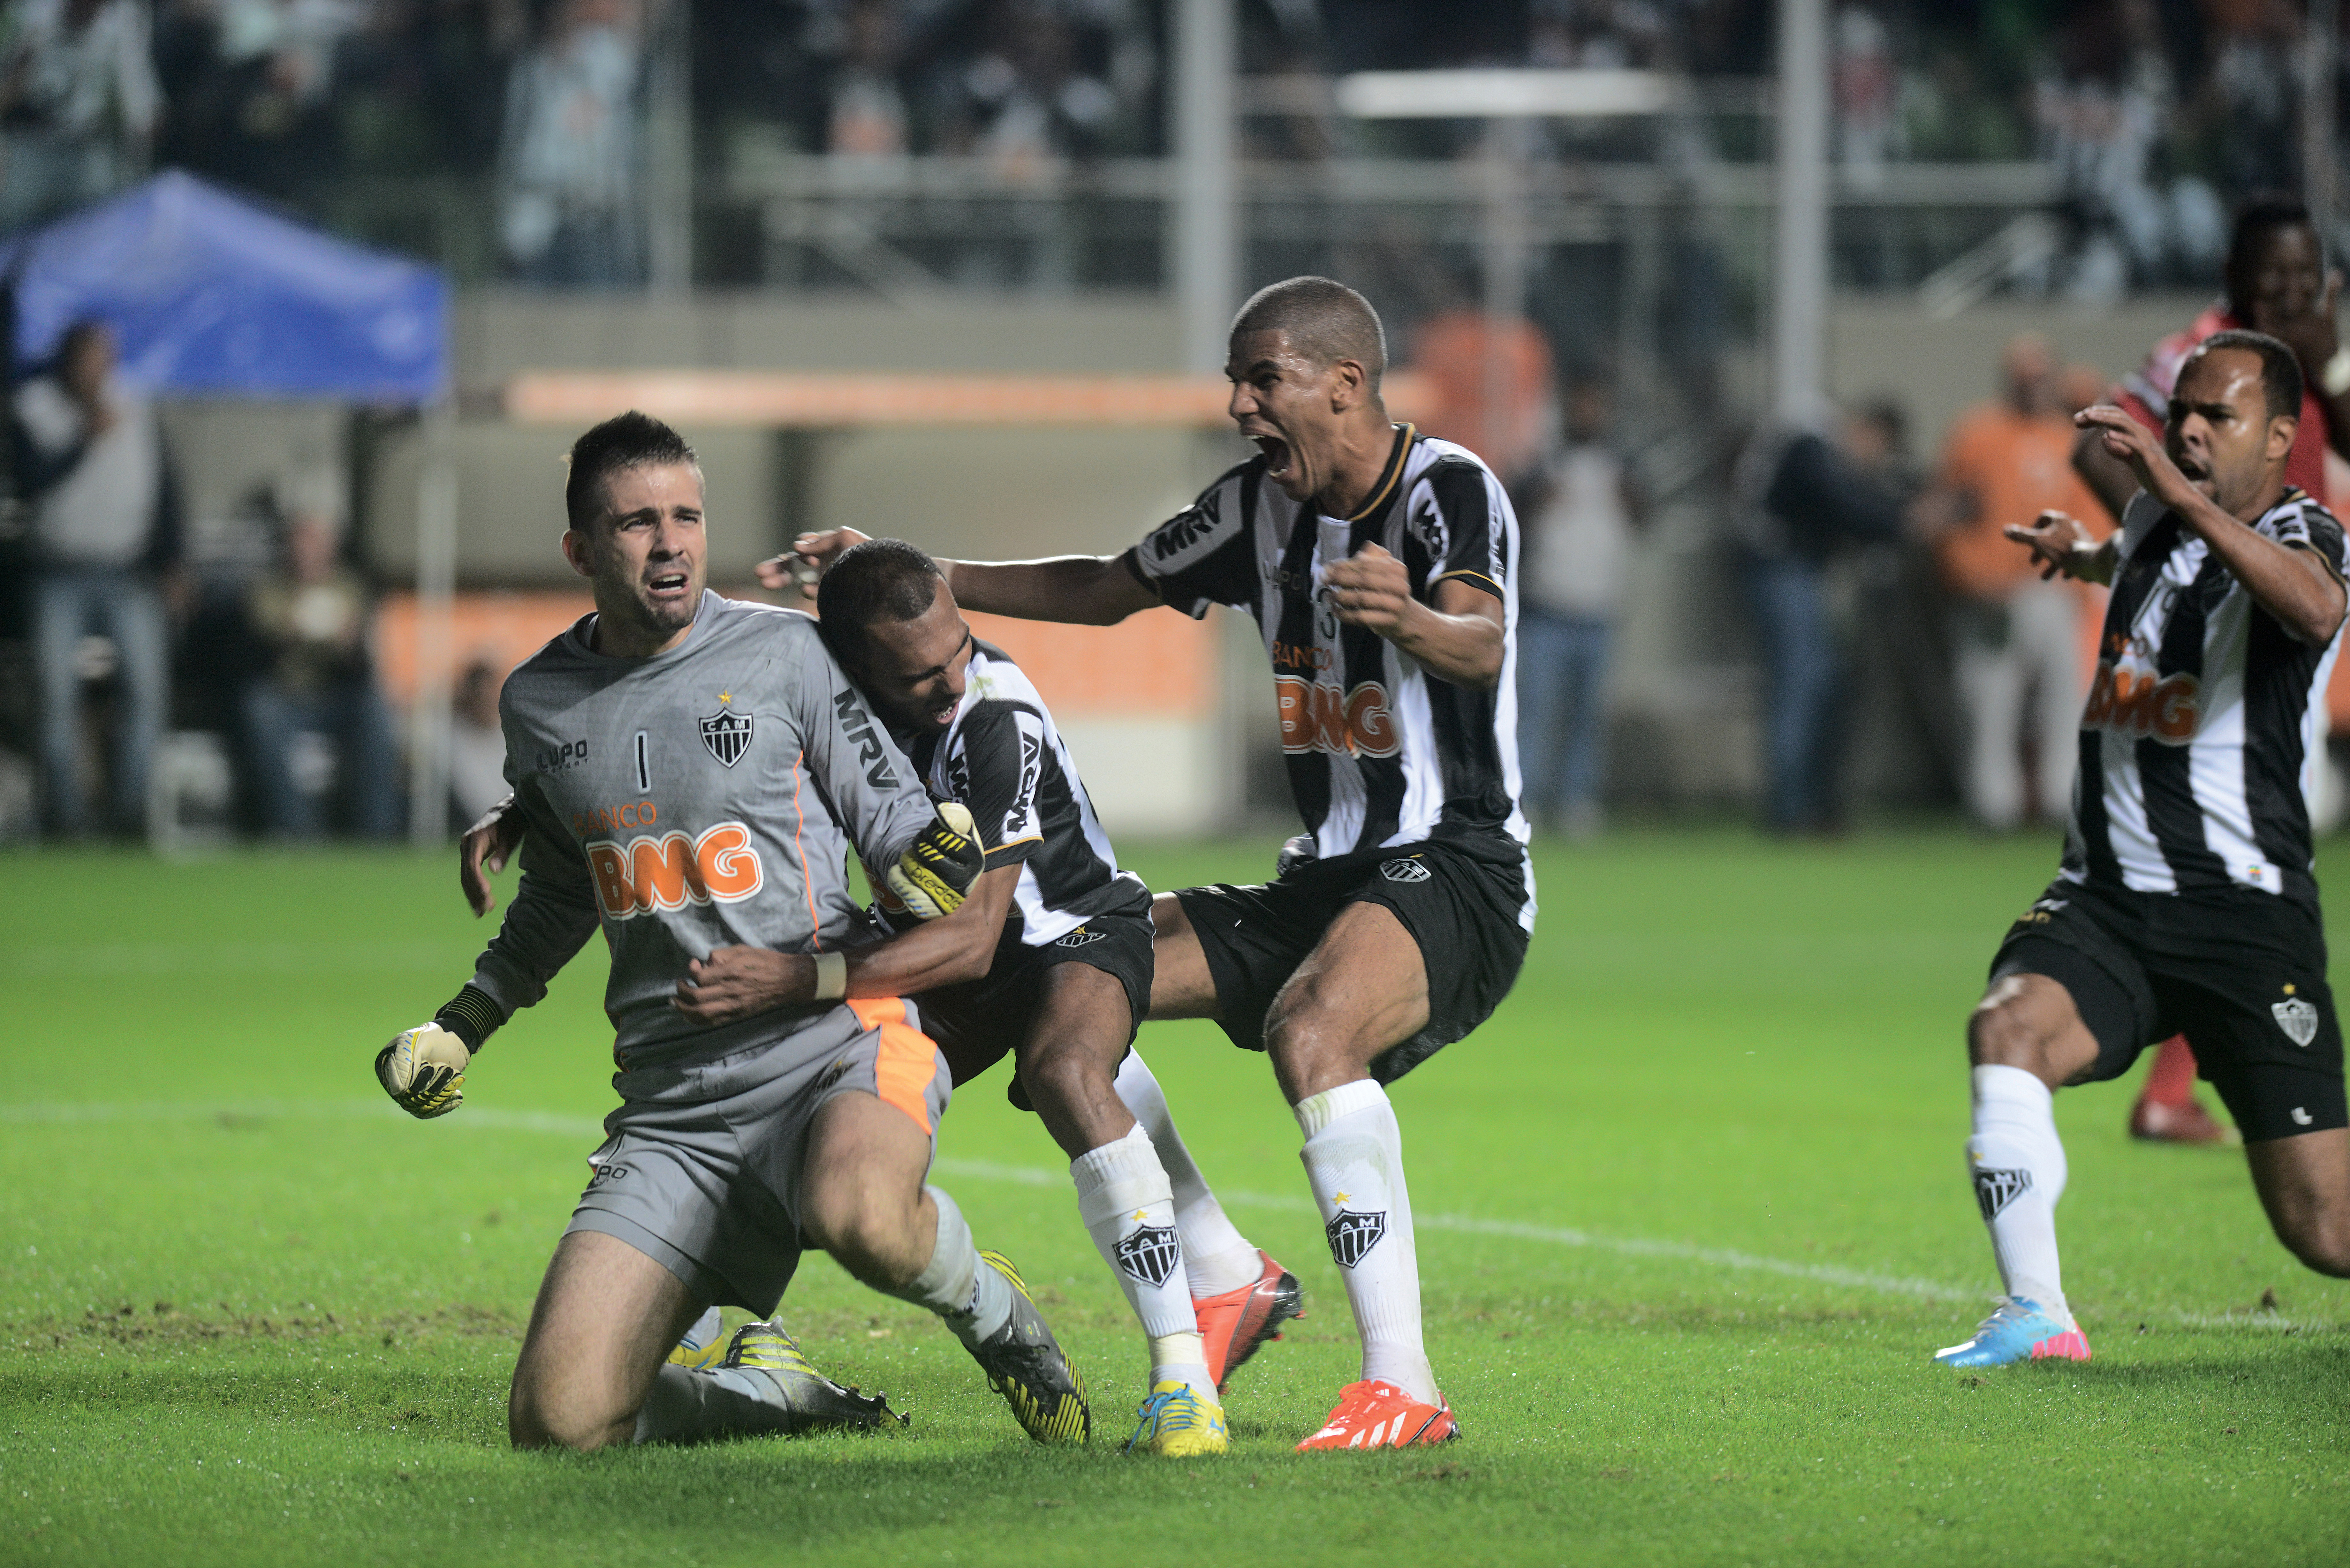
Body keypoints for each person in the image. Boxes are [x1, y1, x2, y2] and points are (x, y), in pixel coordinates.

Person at [787, 276, 1531, 1451]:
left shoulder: (1448, 490)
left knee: (1312, 1030)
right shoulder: (1252, 510)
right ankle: (1226, 1271)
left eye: (1261, 378)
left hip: (1456, 861)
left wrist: (1412, 622)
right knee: (1069, 979)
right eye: (1236, 380)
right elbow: (1108, 586)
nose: (1239, 402)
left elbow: (1483, 643)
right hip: (1324, 876)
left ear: (1344, 382)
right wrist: (930, 574)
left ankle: (1405, 1378)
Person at [461, 537, 1308, 1456]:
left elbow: (979, 933)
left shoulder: (993, 713)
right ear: (857, 667)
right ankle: (728, 1319)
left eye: (959, 650)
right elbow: (696, 711)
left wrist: (806, 975)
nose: (956, 678)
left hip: (1067, 929)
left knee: (1067, 1066)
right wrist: (533, 807)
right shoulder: (829, 681)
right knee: (823, 1133)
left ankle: (1182, 1379)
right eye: (923, 672)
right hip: (936, 954)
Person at [375, 411, 1089, 1451]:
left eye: (687, 516)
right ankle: (769, 1397)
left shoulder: (788, 654)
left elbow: (895, 828)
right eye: (635, 523)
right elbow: (565, 891)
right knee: (559, 1422)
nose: (669, 543)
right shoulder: (539, 702)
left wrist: (935, 858)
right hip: (672, 1107)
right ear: (581, 550)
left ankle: (1001, 1320)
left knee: (863, 1219)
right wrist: (464, 1021)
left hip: (835, 1048)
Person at [1938, 331, 2350, 1369]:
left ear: (2281, 438)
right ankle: (2039, 1313)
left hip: (2241, 917)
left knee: (2327, 1234)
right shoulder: (2155, 523)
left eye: (2221, 418)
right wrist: (2087, 555)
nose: (2194, 433)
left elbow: (2311, 607)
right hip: (2109, 903)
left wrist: (2176, 488)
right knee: (2008, 1032)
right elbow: (2153, 560)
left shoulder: (2311, 531)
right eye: (2185, 416)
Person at [2072, 194, 2350, 1146]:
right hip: (2223, 625)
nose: (2285, 290)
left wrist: (2329, 365)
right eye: (2268, 274)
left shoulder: (2306, 359)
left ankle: (2180, 1079)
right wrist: (2160, 547)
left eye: (2300, 274)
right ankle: (2190, 1076)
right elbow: (2095, 439)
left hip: (2287, 603)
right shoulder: (2196, 357)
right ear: (2232, 275)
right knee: (2247, 847)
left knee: (2261, 841)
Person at [1920, 334, 2111, 832]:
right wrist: (1967, 576)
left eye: (2040, 376)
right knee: (1989, 702)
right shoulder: (1976, 433)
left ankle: (2059, 802)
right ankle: (1993, 807)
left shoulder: (2069, 437)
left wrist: (2084, 575)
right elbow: (1949, 513)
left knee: (2065, 702)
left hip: (2054, 590)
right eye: (2022, 377)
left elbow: (2089, 515)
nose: (2032, 386)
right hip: (1992, 593)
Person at [17, 319, 178, 837]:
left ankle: (129, 812)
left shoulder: (136, 406)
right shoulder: (34, 408)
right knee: (56, 695)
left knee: (147, 692)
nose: (98, 368)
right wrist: (85, 439)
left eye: (105, 356)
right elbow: (30, 483)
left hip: (126, 571)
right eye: (88, 357)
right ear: (69, 360)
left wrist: (174, 560)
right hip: (58, 571)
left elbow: (167, 485)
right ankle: (66, 813)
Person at [1732, 401, 1911, 834]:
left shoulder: (1817, 445)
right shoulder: (1811, 441)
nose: (1872, 460)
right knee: (1801, 687)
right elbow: (1841, 500)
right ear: (1866, 428)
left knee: (1820, 688)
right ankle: (1790, 811)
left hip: (1801, 575)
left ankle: (1812, 806)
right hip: (1780, 569)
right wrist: (1902, 518)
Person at [238, 480, 400, 839]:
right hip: (286, 694)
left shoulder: (350, 589)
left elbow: (363, 670)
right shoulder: (268, 590)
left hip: (336, 696)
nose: (308, 549)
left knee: (376, 712)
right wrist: (285, 638)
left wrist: (350, 648)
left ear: (331, 546)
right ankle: (294, 829)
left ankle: (376, 832)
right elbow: (249, 658)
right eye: (301, 539)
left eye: (317, 540)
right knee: (258, 710)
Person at [1516, 376, 1641, 837]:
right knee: (1535, 711)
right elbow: (1510, 520)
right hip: (1547, 607)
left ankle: (1577, 801)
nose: (1592, 414)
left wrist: (1631, 494)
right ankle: (1524, 801)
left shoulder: (1621, 465)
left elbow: (1645, 517)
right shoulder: (1542, 463)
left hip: (1600, 607)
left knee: (1587, 715)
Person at [497, 0, 640, 287]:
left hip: (596, 213)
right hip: (538, 212)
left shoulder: (607, 62)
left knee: (601, 308)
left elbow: (632, 29)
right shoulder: (531, 72)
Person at [0, 0, 161, 234]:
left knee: (89, 232)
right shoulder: (34, 15)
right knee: (12, 227)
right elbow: (10, 87)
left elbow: (139, 101)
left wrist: (143, 123)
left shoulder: (122, 23)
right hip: (33, 147)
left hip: (84, 153)